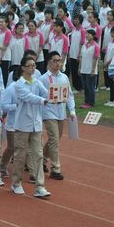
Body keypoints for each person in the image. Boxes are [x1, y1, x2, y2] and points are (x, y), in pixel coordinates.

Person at [11, 56, 51, 198]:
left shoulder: (36, 82)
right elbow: (28, 97)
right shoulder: (19, 84)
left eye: (34, 65)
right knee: (20, 156)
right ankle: (16, 182)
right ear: (23, 68)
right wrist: (43, 100)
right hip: (23, 125)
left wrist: (55, 96)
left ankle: (40, 186)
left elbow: (46, 93)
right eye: (30, 66)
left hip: (36, 124)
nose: (33, 68)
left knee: (38, 155)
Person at [39, 51, 76, 181]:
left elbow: (69, 94)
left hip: (61, 111)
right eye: (55, 60)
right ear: (49, 62)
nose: (58, 63)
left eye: (59, 60)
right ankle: (56, 169)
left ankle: (41, 159)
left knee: (56, 138)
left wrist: (72, 111)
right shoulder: (43, 78)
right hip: (48, 111)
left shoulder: (64, 77)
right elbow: (39, 95)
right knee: (54, 138)